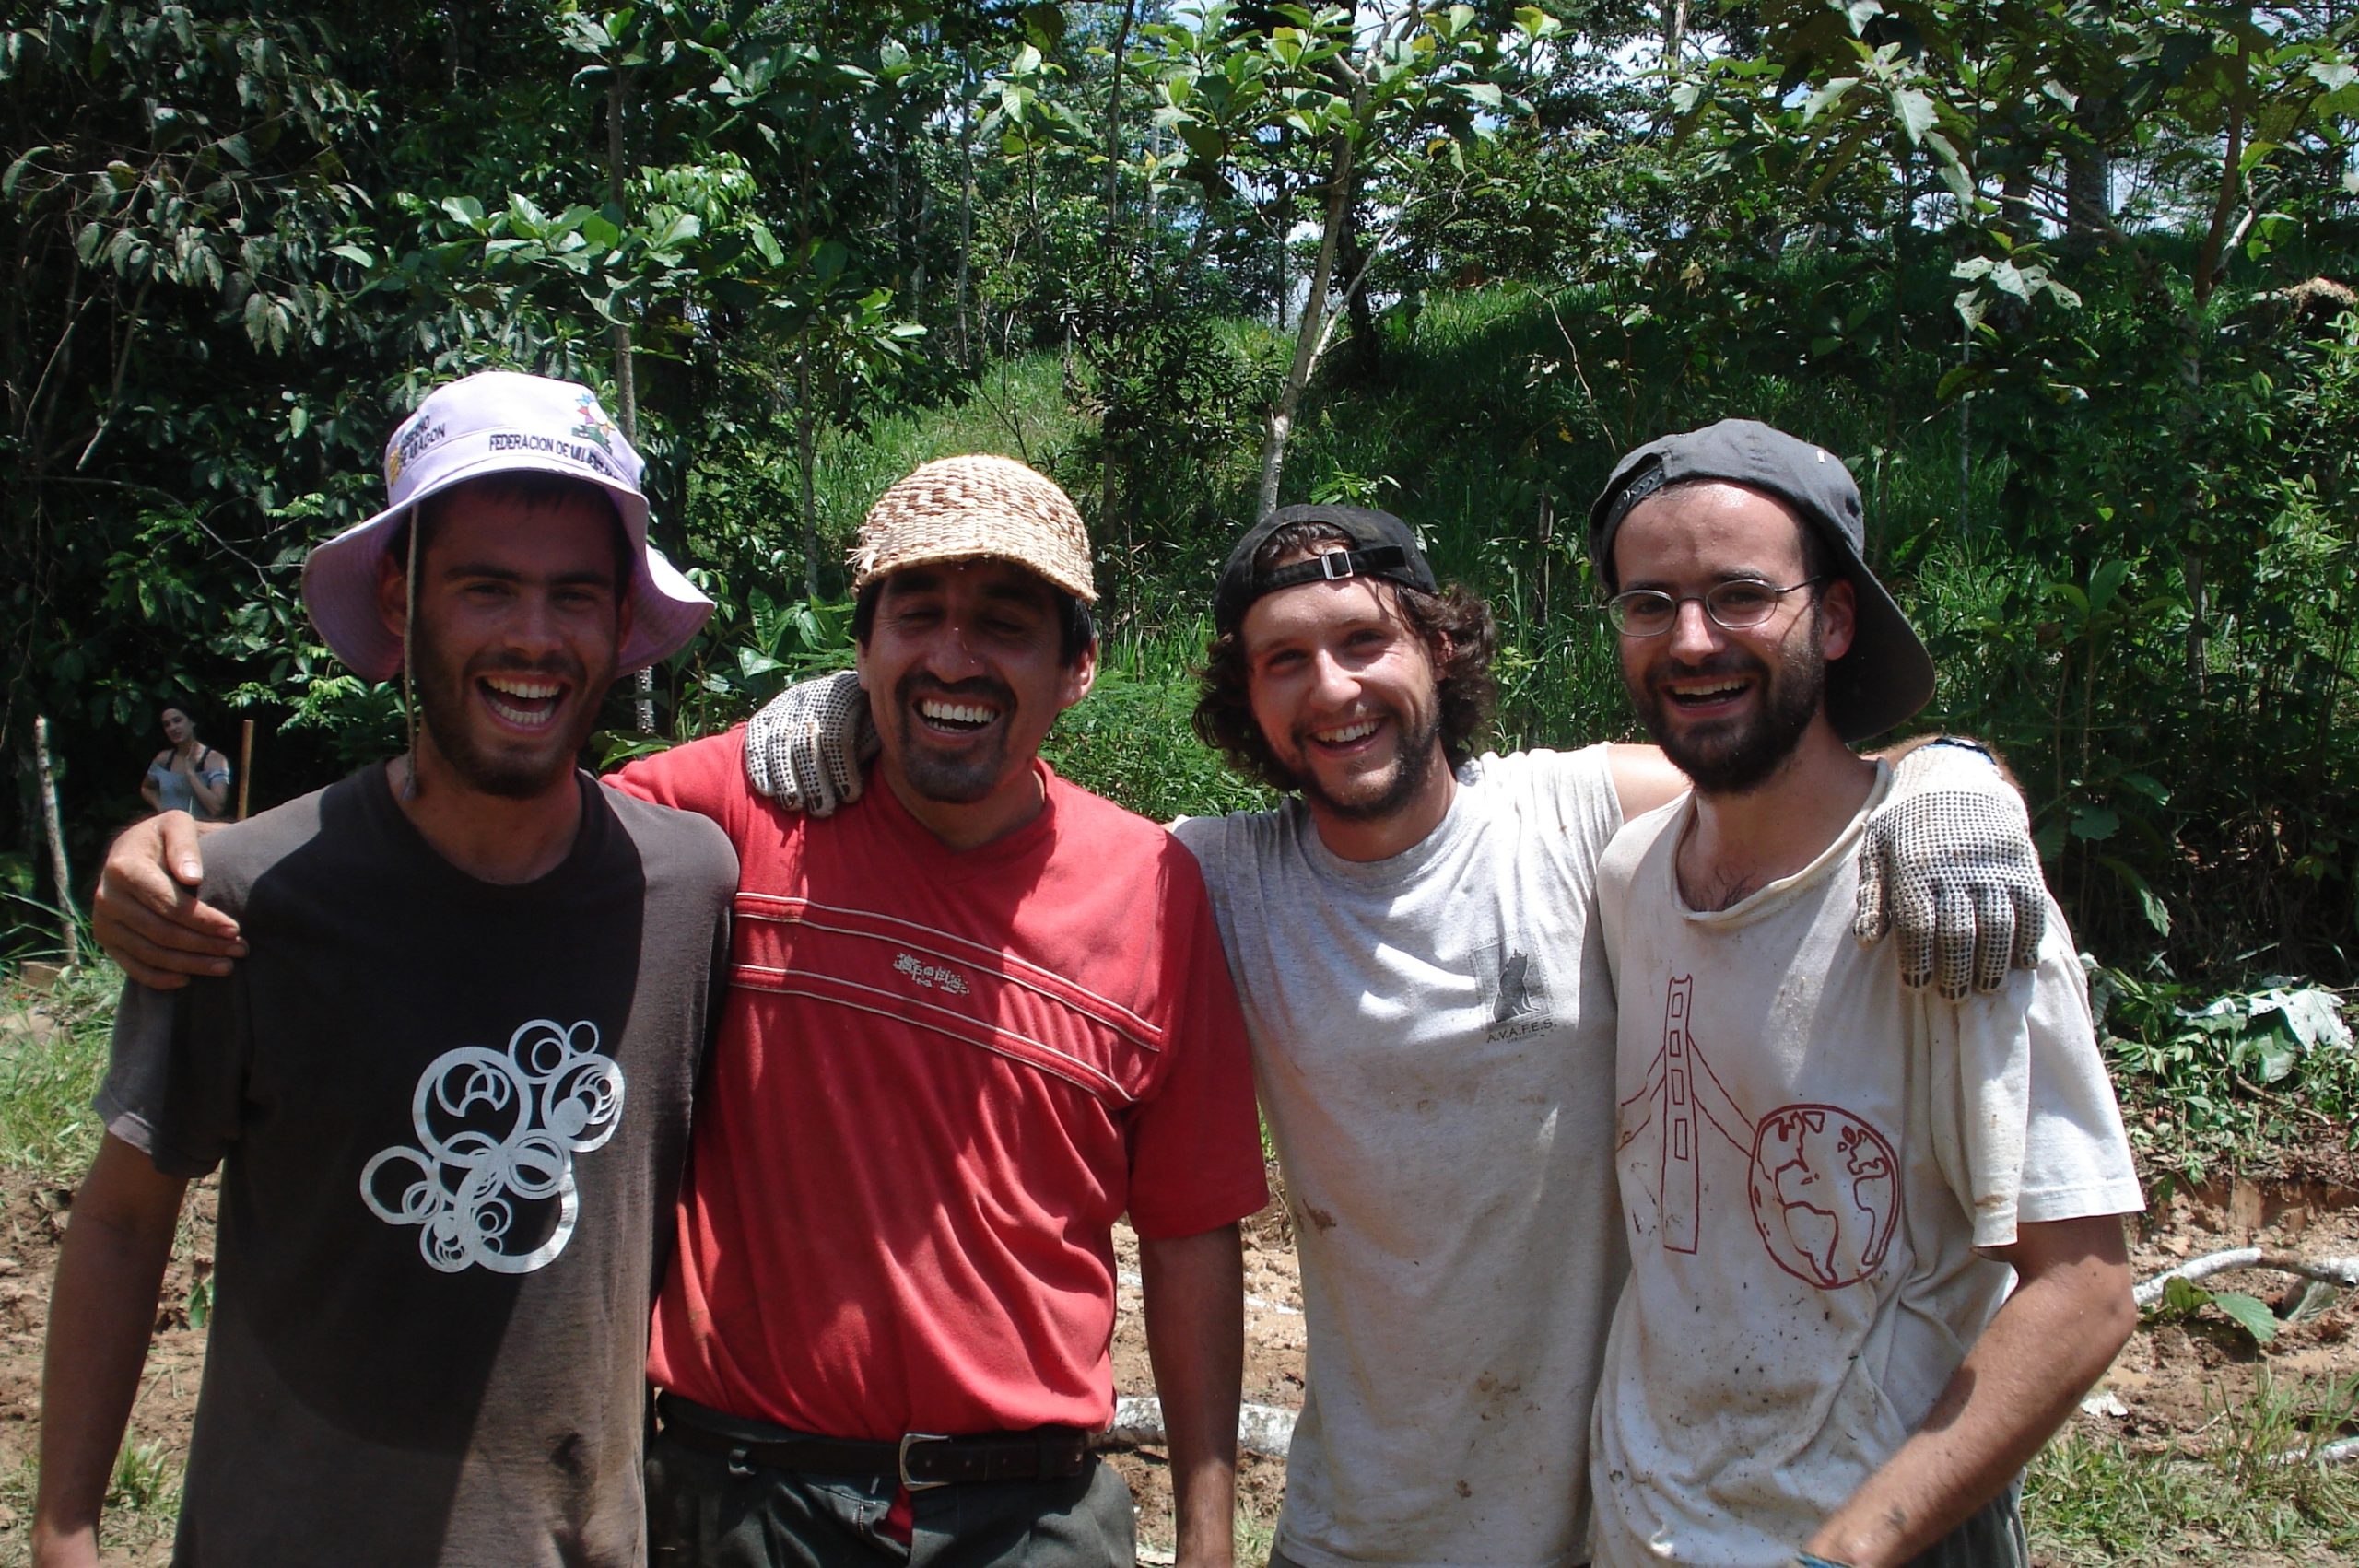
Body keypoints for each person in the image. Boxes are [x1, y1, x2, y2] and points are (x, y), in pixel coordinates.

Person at [720, 485, 2051, 1566]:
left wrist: (1952, 780)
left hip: (1607, 1517)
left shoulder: (1583, 814)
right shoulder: (1216, 878)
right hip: (1359, 1522)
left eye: (1365, 642)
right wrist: (847, 710)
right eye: (1283, 660)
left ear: (1440, 648)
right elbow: (1026, 838)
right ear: (1247, 700)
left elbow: (1803, 781)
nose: (1334, 687)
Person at [90, 453, 1267, 1568]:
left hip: (1031, 1511)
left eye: (1005, 624)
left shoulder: (1153, 888)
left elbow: (1187, 1228)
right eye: (915, 616)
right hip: (745, 1498)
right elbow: (483, 810)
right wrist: (177, 852)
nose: (954, 659)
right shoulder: (725, 816)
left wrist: (1207, 1535)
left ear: (1081, 667)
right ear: (858, 648)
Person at [36, 369, 738, 1568]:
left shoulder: (689, 889)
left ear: (623, 622)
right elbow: (119, 1218)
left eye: (574, 594)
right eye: (485, 588)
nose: (532, 635)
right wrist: (65, 1534)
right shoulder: (251, 898)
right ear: (405, 600)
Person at [1582, 418, 2142, 1568]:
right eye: (1650, 603)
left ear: (1833, 618)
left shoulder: (1943, 892)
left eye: (1741, 595)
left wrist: (1851, 1547)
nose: (1691, 640)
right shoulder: (1632, 874)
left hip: (1869, 1531)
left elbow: (2083, 1289)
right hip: (1647, 1518)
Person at [140, 706, 231, 821]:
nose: (173, 728)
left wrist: (191, 774)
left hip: (200, 832)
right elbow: (146, 788)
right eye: (167, 725)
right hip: (169, 829)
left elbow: (217, 807)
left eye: (177, 721)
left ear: (192, 722)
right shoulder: (163, 759)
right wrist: (161, 808)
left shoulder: (214, 759)